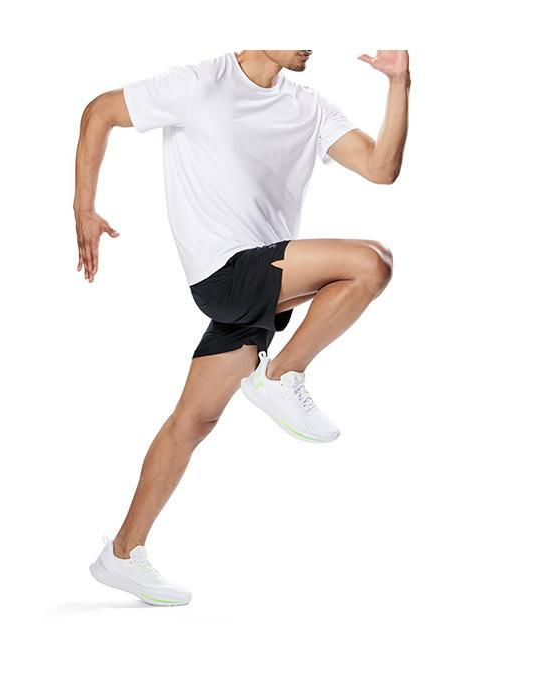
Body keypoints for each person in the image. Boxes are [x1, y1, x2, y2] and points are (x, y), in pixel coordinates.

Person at [74, 50, 410, 605]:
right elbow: (100, 111)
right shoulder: (199, 83)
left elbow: (381, 168)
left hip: (262, 286)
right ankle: (280, 375)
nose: (308, 44)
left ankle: (123, 553)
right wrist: (84, 208)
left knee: (192, 420)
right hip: (226, 274)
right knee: (371, 262)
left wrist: (399, 83)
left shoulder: (309, 106)